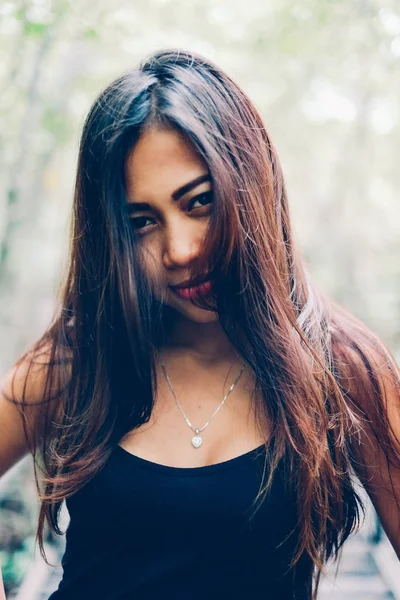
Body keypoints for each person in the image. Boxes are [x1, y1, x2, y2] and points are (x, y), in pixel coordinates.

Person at [0, 48, 399, 600]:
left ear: (250, 187)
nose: (179, 250)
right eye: (142, 223)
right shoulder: (84, 354)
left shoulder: (342, 365)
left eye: (200, 203)